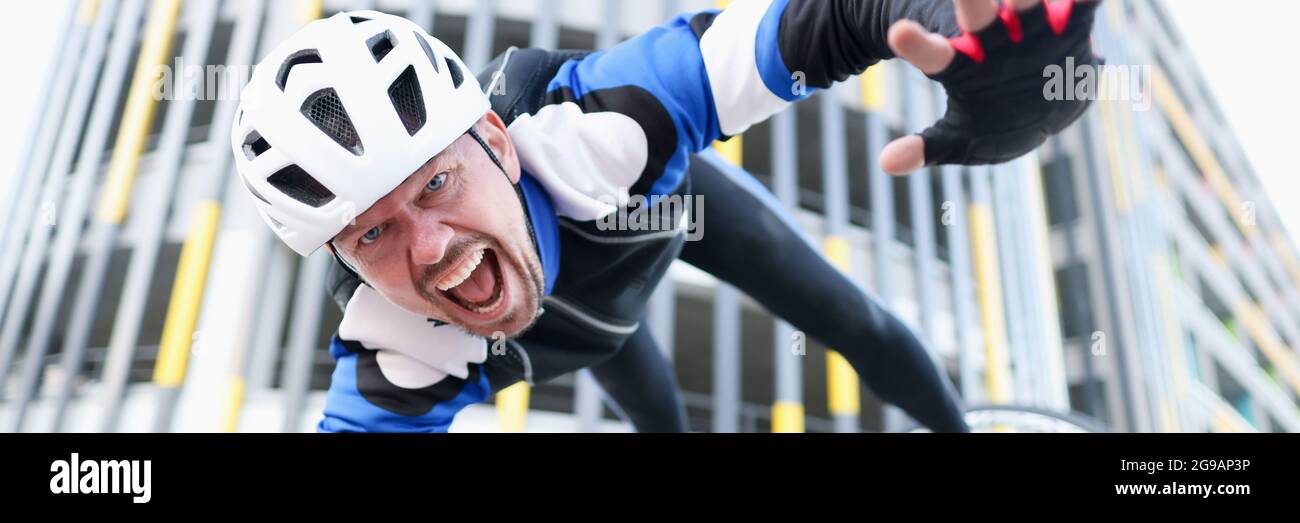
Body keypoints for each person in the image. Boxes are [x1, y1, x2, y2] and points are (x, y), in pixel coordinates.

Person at [230, 0, 1101, 432]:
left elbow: (818, 26)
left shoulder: (599, 128)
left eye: (433, 185)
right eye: (373, 233)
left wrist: (969, 38)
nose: (433, 249)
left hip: (663, 217)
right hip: (598, 330)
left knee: (849, 317)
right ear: (341, 253)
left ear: (496, 142)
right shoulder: (400, 355)